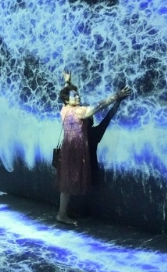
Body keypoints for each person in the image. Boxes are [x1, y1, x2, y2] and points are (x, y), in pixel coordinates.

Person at [55, 73, 130, 225]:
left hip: (67, 149)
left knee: (66, 183)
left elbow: (65, 95)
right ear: (67, 99)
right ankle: (61, 214)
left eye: (77, 94)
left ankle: (63, 211)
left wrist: (67, 82)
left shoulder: (64, 109)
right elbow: (101, 105)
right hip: (76, 151)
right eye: (74, 95)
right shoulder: (79, 112)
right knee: (68, 184)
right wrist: (118, 96)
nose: (78, 97)